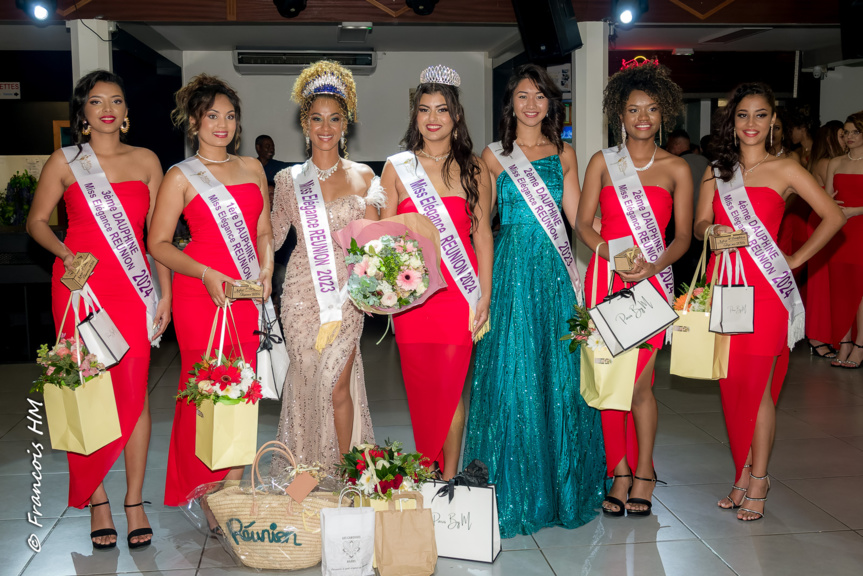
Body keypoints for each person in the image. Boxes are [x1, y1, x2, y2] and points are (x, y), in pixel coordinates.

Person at [26, 70, 171, 549]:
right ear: (82, 113)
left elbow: (157, 240)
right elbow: (37, 222)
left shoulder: (148, 161)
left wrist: (165, 295)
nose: (107, 108)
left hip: (133, 289)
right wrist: (67, 256)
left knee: (134, 394)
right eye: (95, 101)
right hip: (79, 289)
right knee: (88, 394)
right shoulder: (65, 161)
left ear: (127, 112)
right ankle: (98, 500)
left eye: (116, 99)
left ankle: (133, 501)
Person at [463, 64, 605, 537]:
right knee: (513, 372)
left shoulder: (564, 152)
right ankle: (513, 488)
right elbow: (482, 225)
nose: (530, 105)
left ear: (550, 103)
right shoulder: (492, 155)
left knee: (557, 374)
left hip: (553, 268)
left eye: (539, 96)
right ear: (512, 103)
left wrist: (613, 250)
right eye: (522, 96)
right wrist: (481, 288)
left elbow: (577, 219)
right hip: (511, 270)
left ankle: (562, 487)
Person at [694, 83, 843, 520]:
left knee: (758, 389)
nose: (751, 124)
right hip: (726, 288)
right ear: (732, 121)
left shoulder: (787, 169)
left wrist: (795, 257)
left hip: (767, 290)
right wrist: (711, 232)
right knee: (732, 383)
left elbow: (833, 217)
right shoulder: (716, 170)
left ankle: (758, 479)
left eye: (761, 115)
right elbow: (701, 221)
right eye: (743, 115)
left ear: (773, 120)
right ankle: (742, 471)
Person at [149, 74, 274, 508]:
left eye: (230, 116)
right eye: (212, 116)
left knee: (243, 386)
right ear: (194, 121)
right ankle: (198, 488)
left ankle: (232, 488)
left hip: (244, 293)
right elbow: (158, 243)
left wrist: (268, 266)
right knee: (203, 387)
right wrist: (204, 274)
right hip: (199, 293)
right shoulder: (180, 176)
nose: (222, 124)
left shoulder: (253, 168)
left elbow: (263, 231)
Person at [576, 60, 692, 516]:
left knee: (640, 387)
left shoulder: (677, 168)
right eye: (632, 109)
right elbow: (583, 224)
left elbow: (683, 236)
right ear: (618, 116)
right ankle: (618, 471)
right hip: (604, 281)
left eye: (651, 109)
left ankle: (644, 470)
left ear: (663, 114)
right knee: (608, 380)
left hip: (653, 286)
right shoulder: (602, 162)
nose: (642, 117)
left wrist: (652, 265)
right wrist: (610, 255)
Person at [381, 65, 493, 480]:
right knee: (421, 389)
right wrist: (383, 290)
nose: (433, 118)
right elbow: (385, 237)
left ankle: (446, 477)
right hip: (413, 296)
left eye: (442, 109)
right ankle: (426, 468)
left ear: (457, 116)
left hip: (457, 295)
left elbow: (482, 237)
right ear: (415, 117)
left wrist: (485, 293)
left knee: (449, 388)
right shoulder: (397, 167)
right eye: (424, 109)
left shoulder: (474, 169)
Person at [271, 60, 380, 471]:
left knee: (335, 385)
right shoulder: (287, 180)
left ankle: (341, 475)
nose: (325, 127)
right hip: (300, 295)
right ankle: (305, 473)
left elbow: (375, 245)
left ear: (346, 124)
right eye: (316, 118)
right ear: (304, 123)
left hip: (347, 295)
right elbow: (274, 236)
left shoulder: (366, 177)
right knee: (306, 384)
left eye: (335, 118)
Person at [805, 121, 847, 357]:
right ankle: (817, 336)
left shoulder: (824, 161)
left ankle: (823, 335)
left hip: (822, 222)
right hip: (823, 222)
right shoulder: (827, 163)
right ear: (831, 138)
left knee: (825, 282)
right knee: (821, 283)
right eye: (841, 135)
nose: (845, 140)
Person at [825, 111, 863, 368]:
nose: (849, 137)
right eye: (846, 132)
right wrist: (830, 205)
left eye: (855, 132)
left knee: (861, 291)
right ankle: (844, 341)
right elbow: (826, 197)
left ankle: (859, 346)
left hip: (860, 228)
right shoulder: (835, 162)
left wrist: (855, 210)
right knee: (840, 290)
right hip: (839, 232)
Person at [255, 134, 290, 200]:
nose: (271, 149)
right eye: (267, 146)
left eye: (272, 147)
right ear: (258, 148)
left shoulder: (281, 167)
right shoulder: (250, 167)